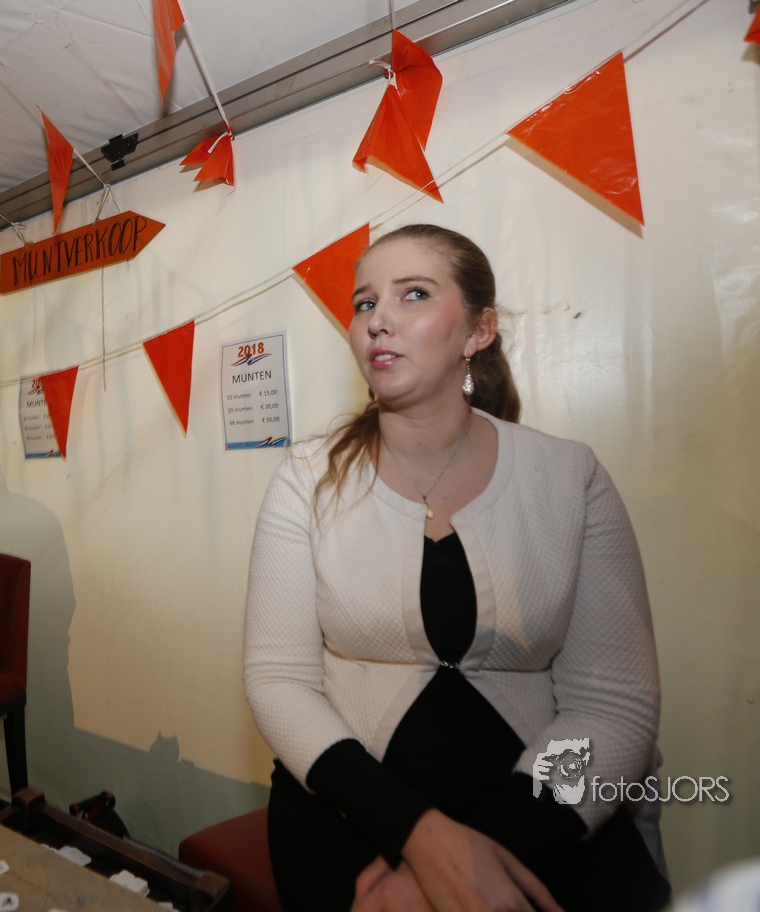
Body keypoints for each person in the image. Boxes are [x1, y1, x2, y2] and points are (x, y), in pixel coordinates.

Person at [243, 225, 669, 912]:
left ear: (479, 330)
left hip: (545, 816)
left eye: (413, 294)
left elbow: (614, 706)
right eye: (364, 302)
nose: (377, 319)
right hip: (348, 807)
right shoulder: (305, 479)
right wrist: (421, 839)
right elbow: (278, 680)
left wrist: (482, 858)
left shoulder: (571, 477)